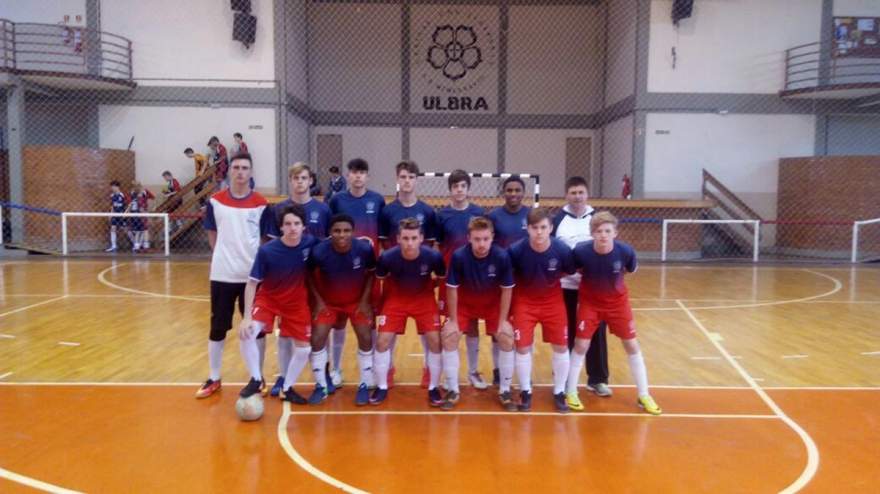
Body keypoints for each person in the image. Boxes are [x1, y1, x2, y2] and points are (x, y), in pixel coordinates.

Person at [195, 154, 274, 399]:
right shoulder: (215, 202)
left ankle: (257, 378)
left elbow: (263, 240)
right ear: (230, 171)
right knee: (218, 327)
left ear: (251, 172)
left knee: (254, 329)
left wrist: (252, 263)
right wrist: (224, 256)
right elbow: (212, 235)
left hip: (252, 277)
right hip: (222, 275)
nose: (240, 172)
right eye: (236, 167)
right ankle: (214, 377)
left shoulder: (262, 204)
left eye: (245, 168)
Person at [567, 212, 661, 415]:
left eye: (607, 231)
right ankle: (570, 391)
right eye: (599, 231)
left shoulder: (625, 251)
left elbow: (630, 270)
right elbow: (576, 270)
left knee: (631, 344)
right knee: (581, 344)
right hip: (590, 304)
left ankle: (644, 394)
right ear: (592, 233)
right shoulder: (581, 252)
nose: (603, 235)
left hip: (618, 304)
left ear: (615, 233)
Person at [237, 203, 318, 405]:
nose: (292, 228)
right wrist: (247, 317)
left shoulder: (311, 244)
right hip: (268, 300)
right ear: (280, 227)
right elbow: (252, 283)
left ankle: (287, 387)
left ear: (303, 226)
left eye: (296, 224)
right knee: (247, 333)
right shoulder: (267, 251)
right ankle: (256, 379)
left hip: (296, 303)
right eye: (288, 224)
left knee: (304, 349)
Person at [262, 162, 332, 396]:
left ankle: (324, 374)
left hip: (316, 278)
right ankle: (283, 378)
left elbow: (327, 246)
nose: (300, 182)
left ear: (310, 181)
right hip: (287, 281)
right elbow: (270, 244)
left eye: (304, 178)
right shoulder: (279, 209)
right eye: (295, 178)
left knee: (322, 327)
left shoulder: (322, 210)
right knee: (286, 331)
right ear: (290, 181)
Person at [442, 217, 514, 411]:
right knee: (449, 336)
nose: (481, 244)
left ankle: (505, 390)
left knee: (506, 338)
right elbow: (452, 288)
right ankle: (453, 389)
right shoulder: (459, 256)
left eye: (485, 239)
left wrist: (503, 321)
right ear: (469, 238)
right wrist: (453, 321)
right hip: (466, 304)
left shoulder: (502, 256)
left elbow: (507, 289)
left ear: (492, 238)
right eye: (477, 239)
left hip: (492, 304)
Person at [371, 217, 446, 406]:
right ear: (398, 239)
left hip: (424, 299)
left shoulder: (433, 257)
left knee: (435, 340)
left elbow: (440, 278)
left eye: (414, 238)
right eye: (405, 238)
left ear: (421, 238)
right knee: (382, 341)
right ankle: (381, 386)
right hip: (396, 300)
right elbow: (381, 279)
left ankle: (433, 387)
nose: (410, 243)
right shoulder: (387, 257)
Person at [508, 208, 575, 413]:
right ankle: (526, 390)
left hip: (552, 303)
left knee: (561, 347)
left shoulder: (562, 250)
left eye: (543, 227)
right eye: (534, 227)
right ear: (527, 228)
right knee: (522, 347)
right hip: (524, 303)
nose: (539, 232)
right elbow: (508, 279)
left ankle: (559, 391)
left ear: (551, 228)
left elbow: (570, 270)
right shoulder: (516, 251)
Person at [327, 158, 386, 387]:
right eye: (354, 172)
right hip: (341, 271)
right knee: (339, 321)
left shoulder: (377, 200)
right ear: (347, 175)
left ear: (367, 176)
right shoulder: (337, 200)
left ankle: (368, 370)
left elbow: (382, 236)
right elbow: (330, 233)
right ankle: (337, 369)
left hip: (367, 270)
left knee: (368, 321)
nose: (358, 176)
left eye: (362, 172)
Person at [307, 214, 376, 406]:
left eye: (346, 230)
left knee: (365, 336)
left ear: (353, 232)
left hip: (355, 302)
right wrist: (319, 302)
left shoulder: (364, 249)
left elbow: (371, 274)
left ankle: (364, 383)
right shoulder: (319, 251)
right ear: (330, 232)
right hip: (329, 303)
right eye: (337, 231)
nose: (342, 235)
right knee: (318, 337)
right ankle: (321, 385)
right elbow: (309, 275)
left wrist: (364, 301)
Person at [552, 176, 611, 399]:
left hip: (594, 287)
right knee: (566, 331)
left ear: (587, 194)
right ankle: (565, 379)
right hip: (565, 285)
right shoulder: (557, 220)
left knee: (596, 331)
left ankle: (597, 379)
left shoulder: (597, 219)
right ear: (567, 195)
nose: (577, 197)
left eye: (581, 192)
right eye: (573, 192)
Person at [379, 160, 437, 387]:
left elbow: (432, 244)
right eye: (403, 177)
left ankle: (428, 371)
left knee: (428, 331)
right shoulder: (388, 211)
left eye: (411, 177)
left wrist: (420, 264)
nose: (407, 181)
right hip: (396, 279)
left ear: (416, 180)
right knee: (389, 330)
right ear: (397, 179)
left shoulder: (427, 211)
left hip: (421, 280)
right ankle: (389, 368)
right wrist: (397, 262)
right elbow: (383, 242)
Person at [435, 169, 487, 390]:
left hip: (473, 278)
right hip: (449, 278)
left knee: (473, 323)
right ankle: (450, 376)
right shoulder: (442, 215)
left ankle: (473, 371)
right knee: (450, 326)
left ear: (468, 189)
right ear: (450, 189)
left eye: (463, 186)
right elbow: (437, 246)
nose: (459, 190)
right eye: (455, 186)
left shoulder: (478, 213)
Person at [488, 176, 531, 249]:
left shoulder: (531, 214)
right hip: (502, 259)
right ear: (503, 193)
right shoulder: (493, 216)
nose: (513, 194)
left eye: (517, 190)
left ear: (523, 193)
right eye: (509, 190)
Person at [125, 181, 154, 252]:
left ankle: (138, 246)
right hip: (138, 214)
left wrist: (151, 207)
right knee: (143, 230)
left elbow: (152, 199)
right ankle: (143, 246)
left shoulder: (143, 192)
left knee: (141, 231)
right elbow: (135, 206)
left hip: (138, 214)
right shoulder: (134, 195)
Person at [105, 180, 127, 252]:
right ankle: (114, 246)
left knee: (126, 230)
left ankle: (136, 244)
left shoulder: (122, 195)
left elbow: (126, 205)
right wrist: (111, 214)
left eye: (113, 186)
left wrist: (126, 214)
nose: (112, 188)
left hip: (122, 215)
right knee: (113, 228)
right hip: (115, 215)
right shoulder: (112, 196)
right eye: (111, 187)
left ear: (117, 187)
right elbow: (112, 206)